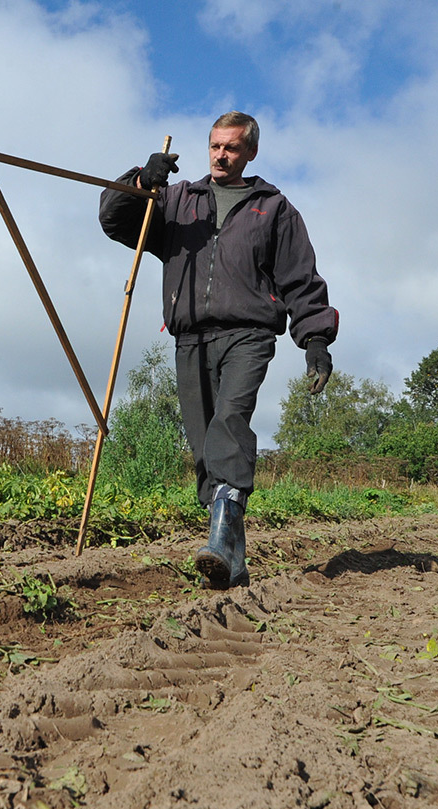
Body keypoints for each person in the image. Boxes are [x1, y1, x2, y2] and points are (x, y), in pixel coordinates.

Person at [99, 111, 338, 589]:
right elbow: (114, 218)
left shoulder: (273, 208)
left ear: (250, 151)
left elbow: (300, 279)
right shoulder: (177, 201)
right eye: (214, 146)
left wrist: (315, 341)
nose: (220, 155)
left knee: (230, 419)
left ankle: (222, 538)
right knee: (204, 443)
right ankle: (231, 553)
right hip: (189, 336)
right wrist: (143, 179)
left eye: (230, 147)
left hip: (249, 334)